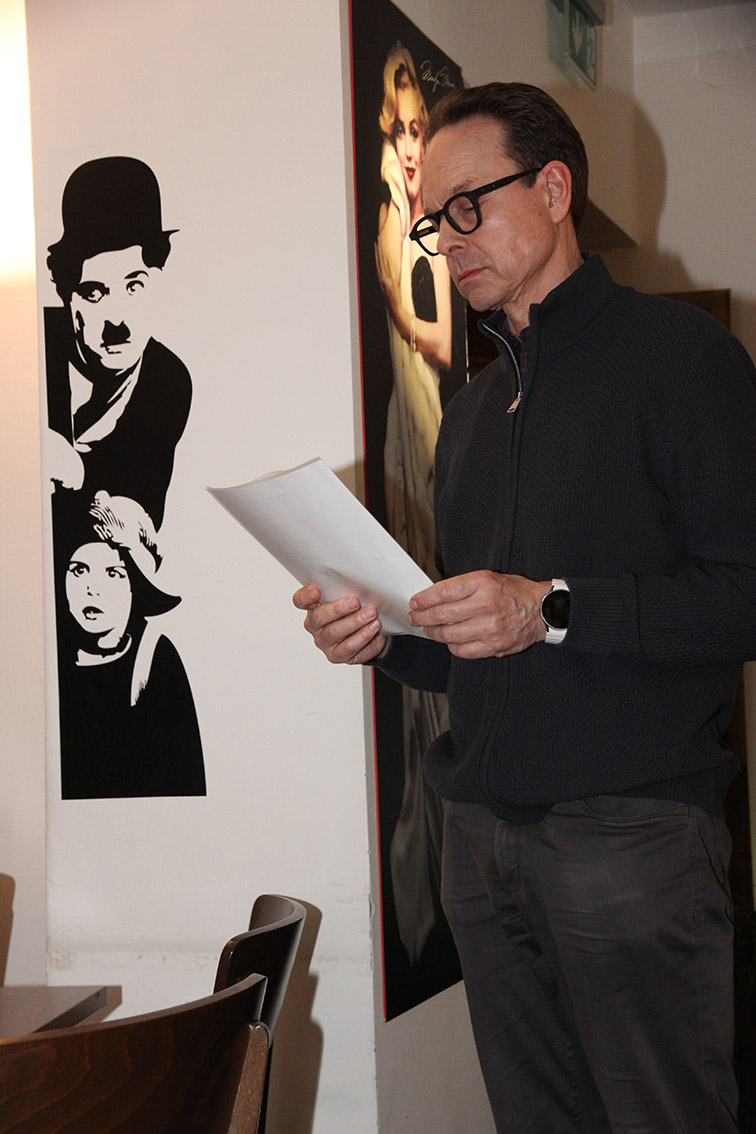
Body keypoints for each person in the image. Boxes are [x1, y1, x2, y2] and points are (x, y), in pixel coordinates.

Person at [294, 81, 756, 1132]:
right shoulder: (470, 415)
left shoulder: (683, 360)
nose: (447, 239)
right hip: (481, 845)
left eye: (469, 205)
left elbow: (744, 596)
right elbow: (469, 643)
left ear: (553, 190)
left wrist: (551, 609)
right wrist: (381, 634)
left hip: (632, 837)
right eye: (433, 219)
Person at [374, 42, 454, 966]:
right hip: (411, 408)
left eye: (416, 126)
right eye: (397, 127)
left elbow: (437, 338)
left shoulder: (430, 224)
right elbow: (417, 324)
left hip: (431, 410)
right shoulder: (400, 218)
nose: (407, 144)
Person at [45, 156, 192, 530]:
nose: (118, 323)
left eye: (134, 287)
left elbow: (139, 516)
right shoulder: (29, 352)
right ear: (66, 296)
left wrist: (71, 468)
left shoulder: (166, 381)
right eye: (94, 293)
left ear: (158, 280)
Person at [57, 491, 206, 799]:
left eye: (113, 573)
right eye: (79, 570)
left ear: (135, 587)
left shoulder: (154, 657)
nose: (91, 589)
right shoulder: (50, 656)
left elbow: (182, 779)